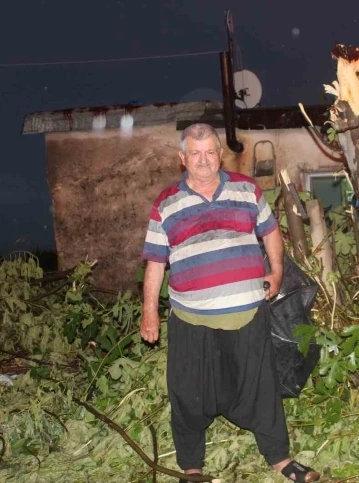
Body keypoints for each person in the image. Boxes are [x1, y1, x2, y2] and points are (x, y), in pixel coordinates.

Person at [140, 123, 320, 483]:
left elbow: (270, 233)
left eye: (210, 152)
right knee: (188, 392)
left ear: (220, 154)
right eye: (195, 153)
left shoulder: (248, 190)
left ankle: (280, 460)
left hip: (248, 311)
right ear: (183, 158)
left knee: (261, 387)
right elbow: (155, 264)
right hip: (192, 318)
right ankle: (192, 467)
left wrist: (278, 271)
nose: (203, 160)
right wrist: (149, 313)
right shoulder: (166, 204)